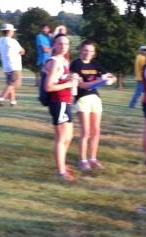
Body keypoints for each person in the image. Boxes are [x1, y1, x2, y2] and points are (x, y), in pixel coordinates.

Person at [70, 40, 115, 171]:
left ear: (94, 53)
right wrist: (100, 81)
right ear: (80, 50)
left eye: (91, 51)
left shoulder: (95, 64)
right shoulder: (76, 64)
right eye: (85, 50)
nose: (88, 53)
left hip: (95, 98)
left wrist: (110, 79)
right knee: (86, 131)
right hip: (82, 98)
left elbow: (111, 76)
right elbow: (82, 85)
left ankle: (93, 158)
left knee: (96, 131)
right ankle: (83, 160)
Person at [44, 34, 79, 180]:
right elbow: (48, 87)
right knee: (61, 137)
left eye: (66, 44)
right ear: (55, 45)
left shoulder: (63, 60)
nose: (63, 46)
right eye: (60, 43)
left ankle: (62, 164)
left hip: (66, 101)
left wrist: (71, 78)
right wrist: (69, 84)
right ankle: (61, 172)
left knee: (69, 136)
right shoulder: (54, 62)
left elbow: (60, 79)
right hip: (58, 102)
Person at [0, 23, 24, 106]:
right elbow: (22, 51)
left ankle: (13, 101)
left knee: (10, 83)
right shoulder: (13, 41)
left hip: (6, 65)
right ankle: (1, 98)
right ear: (10, 31)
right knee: (14, 84)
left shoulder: (0, 40)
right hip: (15, 65)